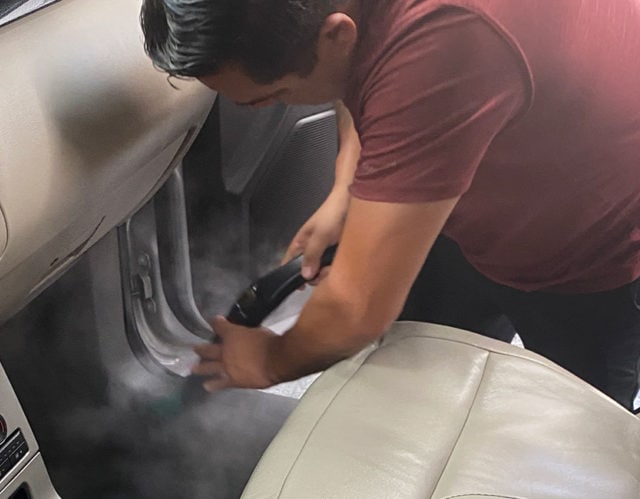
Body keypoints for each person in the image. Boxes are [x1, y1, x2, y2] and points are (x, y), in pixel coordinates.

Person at [140, 0, 640, 410]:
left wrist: (270, 359)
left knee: (580, 426)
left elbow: (355, 313)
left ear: (336, 34)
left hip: (587, 248)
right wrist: (346, 190)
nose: (263, 108)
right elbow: (366, 65)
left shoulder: (448, 36)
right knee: (425, 370)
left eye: (271, 97)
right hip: (470, 197)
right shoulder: (349, 27)